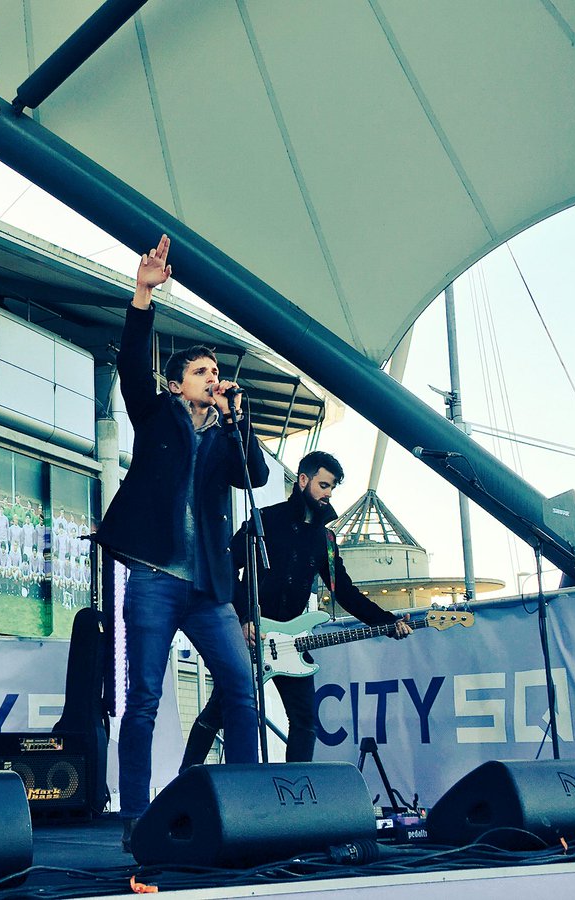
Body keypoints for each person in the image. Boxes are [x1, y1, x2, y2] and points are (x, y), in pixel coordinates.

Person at [94, 235, 269, 851]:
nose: (213, 379)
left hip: (209, 588)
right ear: (177, 385)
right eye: (201, 372)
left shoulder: (226, 437)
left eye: (217, 373)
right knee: (141, 697)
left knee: (242, 689)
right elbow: (133, 370)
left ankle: (248, 807)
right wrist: (143, 294)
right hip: (154, 577)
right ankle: (136, 818)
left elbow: (261, 476)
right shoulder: (157, 415)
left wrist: (238, 419)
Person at [180, 451, 412, 769]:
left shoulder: (326, 539)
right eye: (324, 485)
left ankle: (293, 795)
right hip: (250, 637)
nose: (328, 494)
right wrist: (245, 618)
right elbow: (223, 566)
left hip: (291, 644)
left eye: (332, 488)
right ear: (303, 480)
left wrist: (387, 622)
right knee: (216, 715)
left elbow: (342, 590)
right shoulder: (264, 520)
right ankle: (184, 780)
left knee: (305, 721)